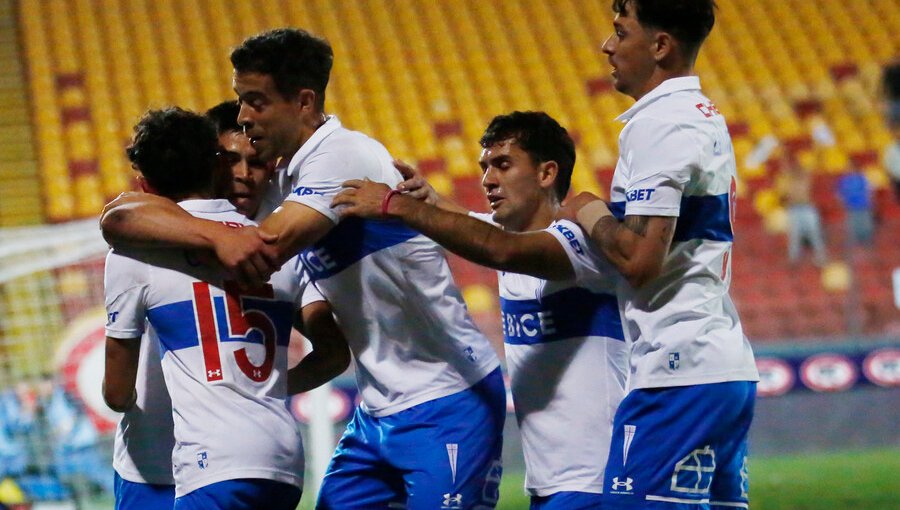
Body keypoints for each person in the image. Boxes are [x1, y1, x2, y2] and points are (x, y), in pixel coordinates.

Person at [99, 29, 504, 509]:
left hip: (446, 396)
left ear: (304, 102)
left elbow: (262, 251)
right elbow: (119, 216)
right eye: (240, 105)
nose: (246, 117)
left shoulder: (340, 157)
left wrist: (252, 389)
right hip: (376, 411)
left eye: (255, 102)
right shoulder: (286, 180)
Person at [333, 111, 628, 509]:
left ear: (546, 173)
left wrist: (395, 206)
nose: (487, 179)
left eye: (503, 165)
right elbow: (473, 226)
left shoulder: (577, 241)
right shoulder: (510, 235)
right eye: (484, 166)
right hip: (553, 482)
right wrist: (429, 198)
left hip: (599, 476)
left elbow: (497, 247)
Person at [557, 1, 759, 508]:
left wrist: (587, 208)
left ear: (661, 46)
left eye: (620, 32)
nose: (607, 46)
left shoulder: (660, 125)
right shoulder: (697, 115)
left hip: (678, 373)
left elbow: (641, 262)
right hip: (715, 367)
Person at [103, 107, 350, 509]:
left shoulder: (278, 247)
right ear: (210, 162)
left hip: (216, 459)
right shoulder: (151, 228)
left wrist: (256, 388)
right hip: (151, 462)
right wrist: (218, 235)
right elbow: (117, 216)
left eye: (256, 162)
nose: (242, 173)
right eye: (231, 159)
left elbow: (332, 352)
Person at [776, 150, 827, 266]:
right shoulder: (789, 180)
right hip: (794, 209)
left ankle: (821, 258)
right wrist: (781, 152)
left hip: (807, 208)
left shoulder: (805, 179)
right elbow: (784, 167)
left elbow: (812, 166)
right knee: (794, 235)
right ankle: (794, 260)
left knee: (814, 233)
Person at [836, 166, 874, 246]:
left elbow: (869, 190)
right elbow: (838, 194)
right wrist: (843, 202)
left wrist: (869, 202)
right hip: (850, 208)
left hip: (864, 206)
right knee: (852, 228)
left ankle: (867, 244)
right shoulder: (843, 180)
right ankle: (855, 246)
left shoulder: (862, 178)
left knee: (866, 227)